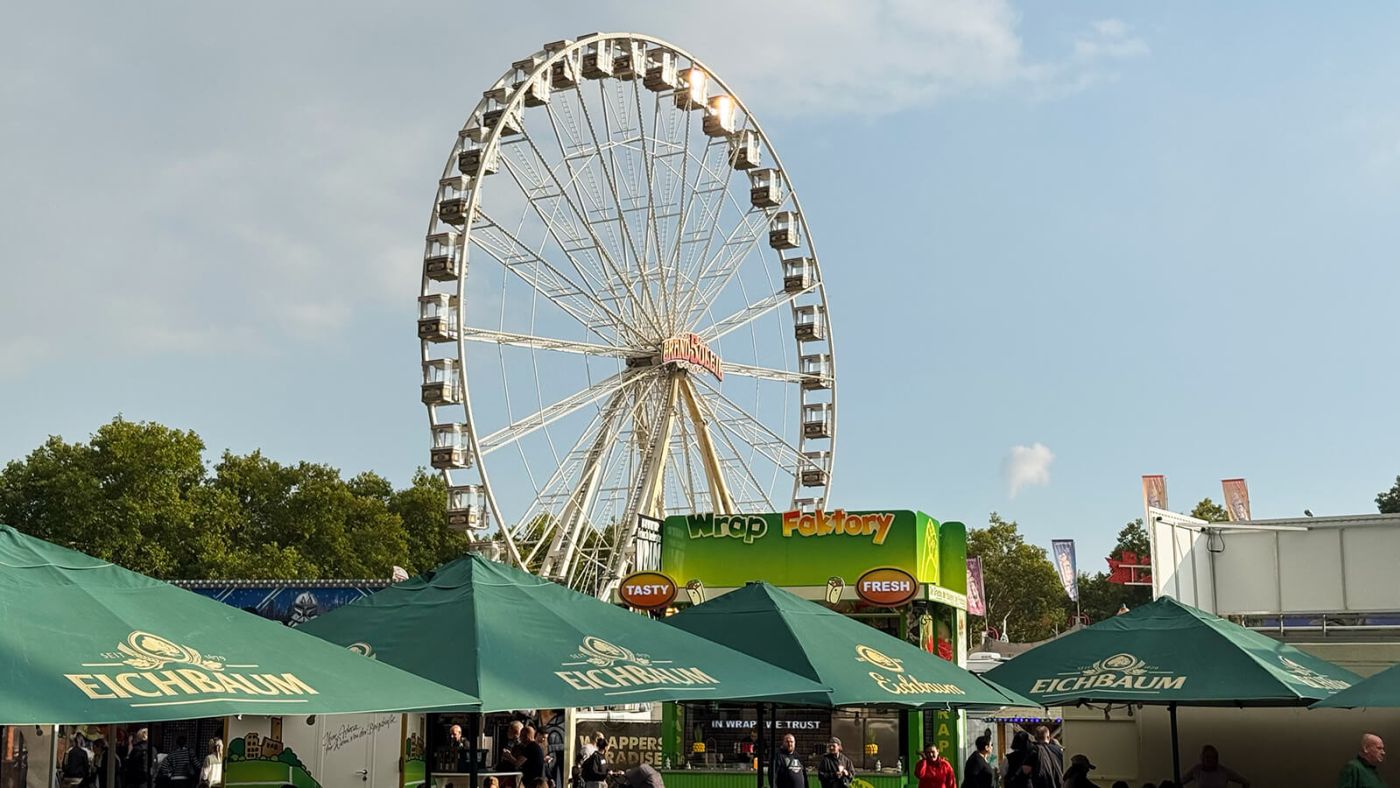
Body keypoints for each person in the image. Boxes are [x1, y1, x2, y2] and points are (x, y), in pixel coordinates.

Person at [1182, 745, 1248, 788]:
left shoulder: (1223, 771)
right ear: (1202, 758)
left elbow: (1246, 782)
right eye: (1207, 757)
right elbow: (1180, 782)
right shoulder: (1197, 770)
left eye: (1213, 757)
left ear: (1216, 758)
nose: (1210, 760)